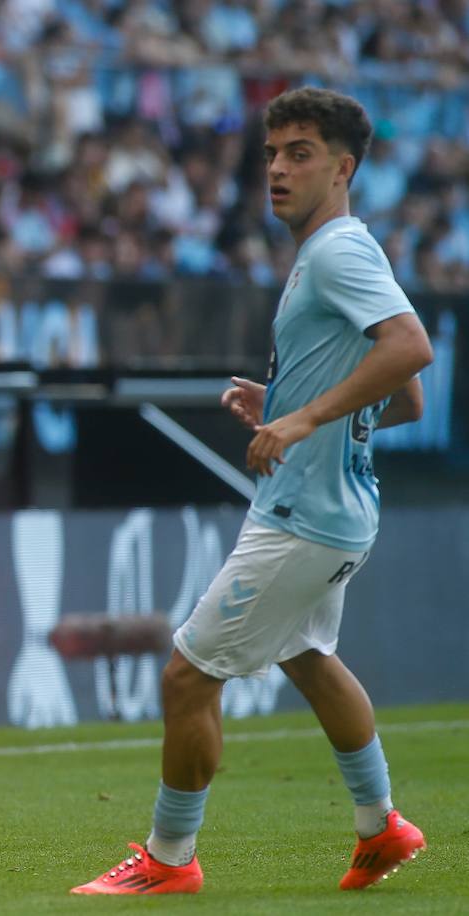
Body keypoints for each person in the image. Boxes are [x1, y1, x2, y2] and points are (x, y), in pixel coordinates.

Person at [73, 88, 434, 896]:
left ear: (342, 168)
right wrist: (283, 404)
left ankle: (170, 859)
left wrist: (302, 417)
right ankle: (381, 826)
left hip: (306, 516)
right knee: (308, 659)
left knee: (186, 677)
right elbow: (403, 399)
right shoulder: (332, 253)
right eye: (272, 153)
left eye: (299, 153)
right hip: (338, 509)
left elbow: (411, 351)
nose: (277, 168)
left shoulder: (338, 252)